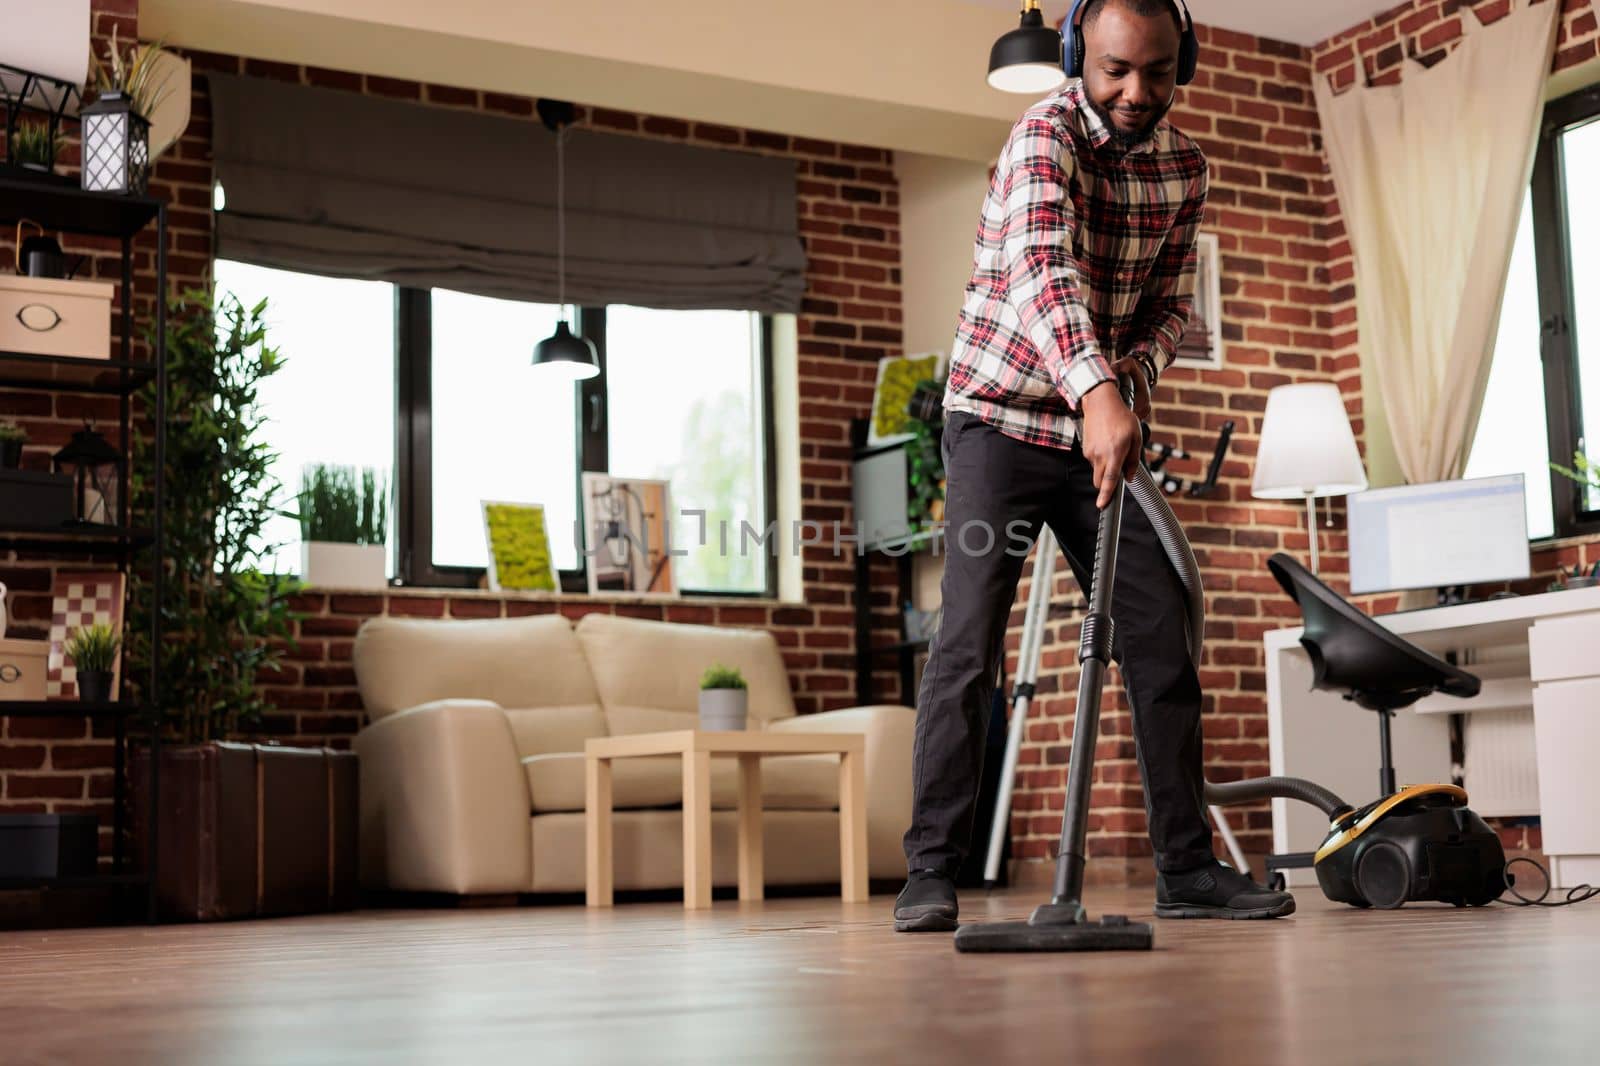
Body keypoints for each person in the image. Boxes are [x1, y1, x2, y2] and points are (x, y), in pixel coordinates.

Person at [893, 0, 1294, 932]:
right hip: (996, 419)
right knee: (969, 638)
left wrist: (1126, 384)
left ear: (1178, 62)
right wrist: (1095, 392)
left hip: (1093, 424)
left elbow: (1166, 307)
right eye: (1115, 69)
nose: (1134, 91)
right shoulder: (1045, 133)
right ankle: (931, 869)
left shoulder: (1185, 166)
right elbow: (1042, 268)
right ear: (1079, 55)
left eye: (1156, 72)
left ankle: (1186, 870)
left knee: (1159, 629)